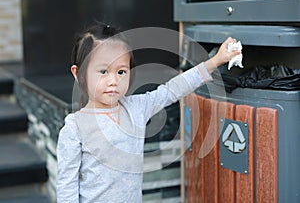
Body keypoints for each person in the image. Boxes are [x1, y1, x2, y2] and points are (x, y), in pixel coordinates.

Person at [56, 22, 241, 203]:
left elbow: (173, 89)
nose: (113, 80)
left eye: (121, 72)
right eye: (103, 71)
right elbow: (66, 187)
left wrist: (216, 60)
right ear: (78, 74)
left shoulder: (136, 108)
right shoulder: (76, 127)